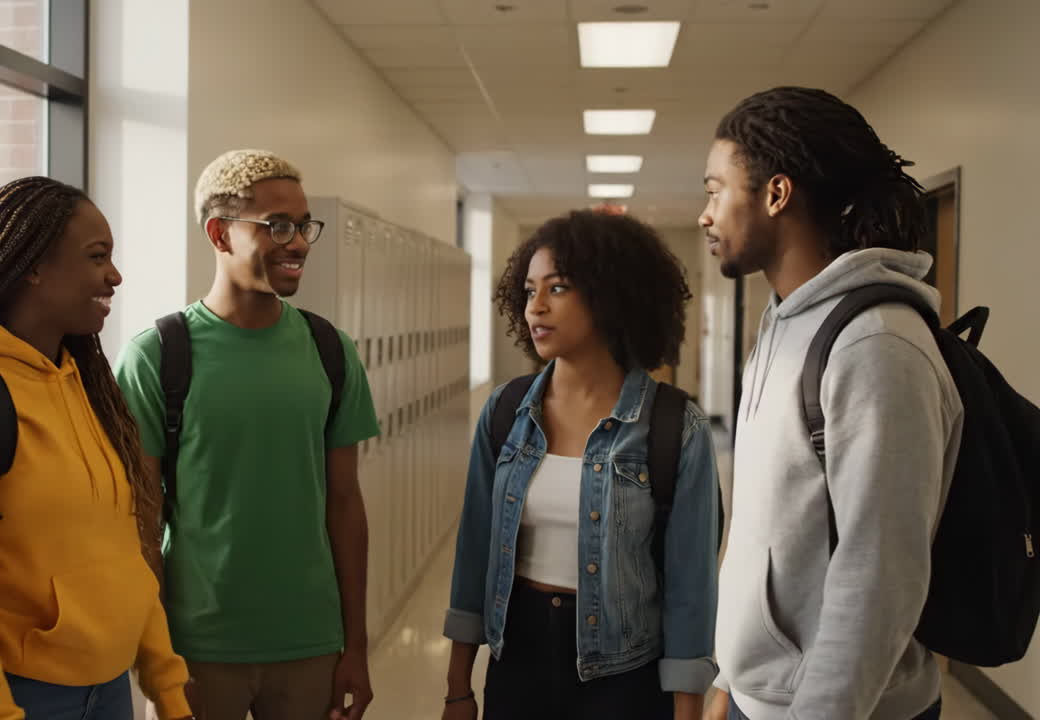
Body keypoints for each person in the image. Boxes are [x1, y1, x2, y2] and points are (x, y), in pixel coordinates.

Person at [698, 87, 962, 720]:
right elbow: (771, 520)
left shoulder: (876, 347)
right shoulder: (783, 326)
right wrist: (729, 678)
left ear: (776, 194)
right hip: (763, 696)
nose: (705, 214)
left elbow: (880, 577)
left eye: (715, 189)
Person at [0, 176, 192, 719]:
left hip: (107, 691)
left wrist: (168, 687)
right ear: (31, 265)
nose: (115, 276)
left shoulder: (89, 388)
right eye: (97, 256)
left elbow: (125, 556)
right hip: (9, 697)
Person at [114, 150, 380, 720]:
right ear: (219, 233)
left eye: (304, 225)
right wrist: (155, 654)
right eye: (277, 226)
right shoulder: (157, 356)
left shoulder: (330, 350)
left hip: (310, 640)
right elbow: (141, 518)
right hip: (198, 646)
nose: (300, 243)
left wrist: (354, 645)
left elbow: (345, 505)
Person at [442, 210, 721, 720]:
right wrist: (458, 685)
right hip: (517, 663)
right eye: (529, 291)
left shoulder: (674, 427)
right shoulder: (508, 411)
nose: (536, 308)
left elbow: (691, 586)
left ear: (610, 296)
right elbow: (475, 550)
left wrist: (687, 710)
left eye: (558, 288)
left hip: (625, 679)